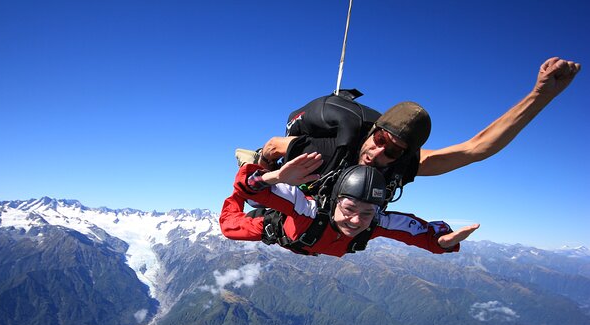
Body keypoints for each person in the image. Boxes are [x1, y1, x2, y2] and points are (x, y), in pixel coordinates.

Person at [238, 57, 581, 203]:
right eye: (380, 139)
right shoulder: (329, 148)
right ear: (372, 130)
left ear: (404, 154)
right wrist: (269, 167)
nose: (378, 152)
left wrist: (540, 95)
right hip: (299, 181)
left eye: (393, 150)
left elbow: (479, 148)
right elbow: (273, 144)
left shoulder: (403, 165)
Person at [220, 153, 479, 257]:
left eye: (366, 213)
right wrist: (273, 177)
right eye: (349, 209)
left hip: (304, 238)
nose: (356, 220)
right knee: (229, 228)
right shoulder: (307, 209)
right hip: (280, 228)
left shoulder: (375, 222)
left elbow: (416, 231)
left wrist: (441, 241)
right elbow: (250, 191)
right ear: (334, 201)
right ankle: (251, 161)